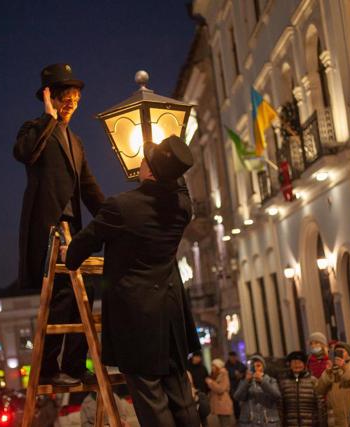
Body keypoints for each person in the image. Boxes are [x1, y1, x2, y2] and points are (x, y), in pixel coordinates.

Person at [65, 135, 201, 427]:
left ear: (149, 170)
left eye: (145, 159)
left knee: (151, 397)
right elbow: (179, 188)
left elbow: (80, 249)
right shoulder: (183, 207)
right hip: (171, 314)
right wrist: (170, 168)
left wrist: (68, 253)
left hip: (136, 318)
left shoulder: (121, 206)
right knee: (181, 394)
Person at [14, 63, 105, 387]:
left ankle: (74, 364)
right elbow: (23, 153)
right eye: (66, 97)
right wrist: (49, 118)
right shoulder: (35, 128)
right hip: (49, 229)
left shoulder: (76, 142)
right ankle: (50, 368)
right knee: (64, 293)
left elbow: (90, 188)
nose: (72, 104)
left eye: (76, 98)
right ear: (51, 97)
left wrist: (115, 217)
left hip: (73, 229)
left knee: (89, 288)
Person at [315, 342, 350, 427]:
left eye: (341, 352)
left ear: (349, 354)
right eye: (336, 352)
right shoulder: (332, 369)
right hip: (334, 420)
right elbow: (319, 390)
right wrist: (327, 372)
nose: (338, 355)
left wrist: (345, 367)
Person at [279, 351, 326, 427]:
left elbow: (321, 406)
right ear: (290, 365)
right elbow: (281, 407)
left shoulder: (313, 381)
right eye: (294, 362)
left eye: (299, 362)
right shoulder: (284, 382)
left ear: (304, 365)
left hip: (311, 424)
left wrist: (322, 424)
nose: (297, 365)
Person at [233, 355, 281, 426]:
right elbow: (237, 397)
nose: (255, 368)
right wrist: (247, 382)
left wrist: (262, 382)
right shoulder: (244, 382)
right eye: (253, 366)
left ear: (263, 368)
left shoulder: (271, 380)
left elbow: (277, 395)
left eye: (258, 366)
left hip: (267, 422)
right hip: (250, 423)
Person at [206, 358, 234, 427]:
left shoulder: (223, 374)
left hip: (223, 404)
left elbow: (221, 389)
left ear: (218, 366)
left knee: (225, 424)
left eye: (214, 366)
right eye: (212, 366)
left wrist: (211, 383)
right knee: (222, 423)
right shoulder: (217, 375)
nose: (212, 368)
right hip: (220, 405)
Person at [188, 352, 210, 426]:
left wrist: (207, 392)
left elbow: (207, 379)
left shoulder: (203, 367)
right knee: (195, 417)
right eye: (196, 357)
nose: (198, 359)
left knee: (203, 415)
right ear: (193, 357)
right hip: (192, 395)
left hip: (202, 394)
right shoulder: (188, 368)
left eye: (199, 357)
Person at [225, 351, 247, 418]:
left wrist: (241, 375)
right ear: (229, 357)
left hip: (241, 386)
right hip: (232, 387)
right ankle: (238, 418)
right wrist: (235, 375)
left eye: (234, 357)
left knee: (243, 402)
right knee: (235, 403)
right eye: (231, 357)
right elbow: (227, 375)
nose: (233, 358)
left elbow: (245, 371)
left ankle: (244, 416)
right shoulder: (227, 365)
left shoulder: (240, 364)